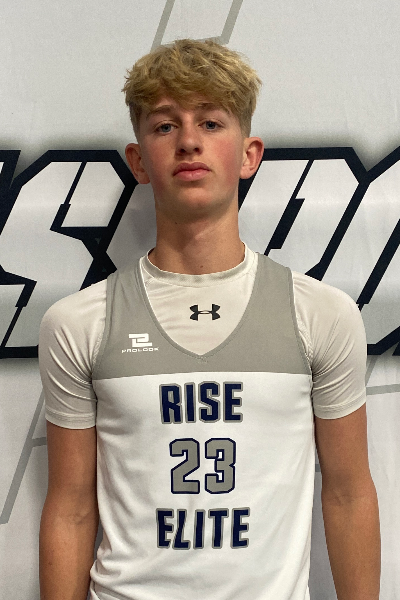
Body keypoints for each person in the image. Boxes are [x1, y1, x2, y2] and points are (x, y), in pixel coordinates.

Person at [38, 39, 380, 600]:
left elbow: (348, 494)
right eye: (165, 125)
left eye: (211, 122)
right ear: (138, 160)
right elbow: (71, 508)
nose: (189, 141)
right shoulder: (79, 323)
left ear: (249, 154)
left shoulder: (320, 314)